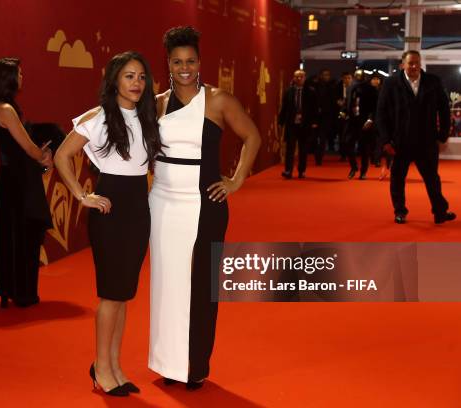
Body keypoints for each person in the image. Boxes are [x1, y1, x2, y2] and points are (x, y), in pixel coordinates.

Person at [149, 26, 261, 390]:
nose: (184, 68)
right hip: (164, 203)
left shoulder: (218, 100)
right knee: (167, 284)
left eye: (191, 61)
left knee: (200, 287)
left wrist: (236, 180)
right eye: (177, 62)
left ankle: (194, 366)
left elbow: (252, 137)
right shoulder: (158, 103)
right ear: (168, 63)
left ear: (200, 62)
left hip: (206, 203)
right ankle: (168, 363)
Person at [54, 51, 162, 397]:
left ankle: (114, 366)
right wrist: (80, 194)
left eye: (141, 77)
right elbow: (62, 155)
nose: (136, 83)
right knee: (110, 295)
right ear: (115, 79)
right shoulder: (98, 117)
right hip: (110, 208)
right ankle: (101, 368)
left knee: (123, 295)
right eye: (129, 76)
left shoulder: (147, 117)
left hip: (138, 207)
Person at [0, 58, 53, 308]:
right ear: (9, 77)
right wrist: (44, 153)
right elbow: (29, 149)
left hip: (11, 181)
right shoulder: (6, 110)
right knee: (25, 237)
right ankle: (23, 294)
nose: (23, 76)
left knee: (13, 236)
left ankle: (11, 290)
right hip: (18, 183)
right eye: (19, 73)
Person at [376, 50, 456, 224]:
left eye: (417, 63)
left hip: (426, 142)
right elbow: (381, 114)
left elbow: (444, 110)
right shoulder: (390, 83)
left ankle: (440, 212)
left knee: (432, 178)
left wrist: (443, 135)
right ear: (403, 64)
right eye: (411, 63)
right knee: (397, 179)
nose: (414, 66)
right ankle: (400, 211)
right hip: (400, 142)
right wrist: (385, 140)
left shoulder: (433, 82)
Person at [278, 69, 318, 179]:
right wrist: (280, 121)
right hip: (291, 123)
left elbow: (315, 108)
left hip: (305, 124)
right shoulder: (289, 91)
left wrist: (314, 122)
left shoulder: (311, 91)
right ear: (293, 78)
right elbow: (284, 107)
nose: (299, 79)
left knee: (303, 149)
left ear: (305, 78)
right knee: (290, 148)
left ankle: (301, 170)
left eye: (301, 77)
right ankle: (288, 170)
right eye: (296, 77)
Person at [344, 69, 378, 180]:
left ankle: (363, 171)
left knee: (364, 148)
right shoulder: (350, 88)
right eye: (356, 76)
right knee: (347, 144)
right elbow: (347, 103)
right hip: (352, 121)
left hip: (365, 122)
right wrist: (343, 112)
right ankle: (354, 167)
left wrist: (370, 119)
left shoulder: (371, 89)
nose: (358, 78)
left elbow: (375, 107)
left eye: (360, 76)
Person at [314, 68, 337, 164]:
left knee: (323, 137)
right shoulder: (315, 86)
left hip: (327, 116)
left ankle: (319, 156)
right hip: (315, 115)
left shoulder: (332, 87)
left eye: (328, 75)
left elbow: (333, 102)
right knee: (314, 137)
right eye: (324, 75)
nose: (326, 77)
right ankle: (317, 154)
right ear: (320, 76)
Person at [336, 72, 353, 161]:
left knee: (349, 136)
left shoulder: (355, 88)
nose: (347, 80)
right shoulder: (337, 87)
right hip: (340, 115)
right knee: (341, 136)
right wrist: (338, 103)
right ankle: (343, 154)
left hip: (352, 116)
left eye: (349, 78)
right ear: (342, 78)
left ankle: (350, 154)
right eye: (345, 78)